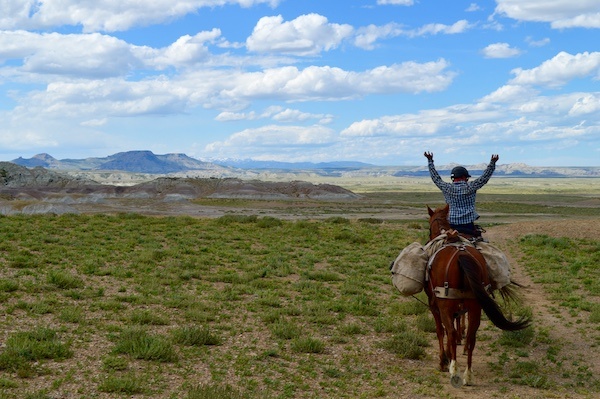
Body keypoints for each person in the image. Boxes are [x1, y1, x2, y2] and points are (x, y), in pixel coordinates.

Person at [424, 152, 499, 237]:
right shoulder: (471, 187)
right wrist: (492, 163)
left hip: (451, 226)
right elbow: (484, 178)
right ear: (464, 177)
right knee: (483, 247)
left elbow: (436, 178)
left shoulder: (446, 187)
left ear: (453, 178)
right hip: (468, 226)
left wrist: (430, 161)